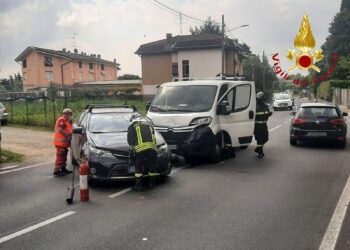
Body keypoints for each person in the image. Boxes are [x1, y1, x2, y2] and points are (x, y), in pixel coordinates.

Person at [127, 114, 157, 191]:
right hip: (152, 148)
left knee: (138, 167)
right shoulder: (149, 125)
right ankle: (151, 184)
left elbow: (130, 140)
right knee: (151, 167)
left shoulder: (132, 126)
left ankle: (139, 186)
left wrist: (133, 149)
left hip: (140, 149)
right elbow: (154, 137)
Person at [53, 108, 73, 176]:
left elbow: (69, 129)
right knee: (60, 157)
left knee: (64, 157)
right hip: (60, 143)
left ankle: (63, 169)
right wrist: (67, 135)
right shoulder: (62, 120)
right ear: (66, 114)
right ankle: (56, 171)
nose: (71, 115)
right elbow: (60, 130)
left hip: (64, 143)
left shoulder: (67, 120)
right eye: (70, 114)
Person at [254, 92, 272, 158]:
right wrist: (266, 114)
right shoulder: (255, 106)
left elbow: (267, 113)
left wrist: (269, 114)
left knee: (266, 138)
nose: (262, 100)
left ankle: (258, 149)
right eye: (261, 98)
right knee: (259, 139)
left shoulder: (265, 106)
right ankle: (260, 153)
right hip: (257, 125)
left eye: (263, 99)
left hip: (264, 125)